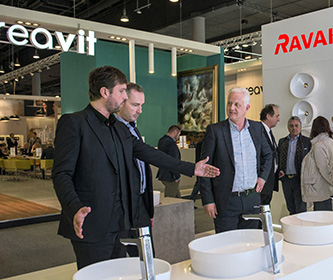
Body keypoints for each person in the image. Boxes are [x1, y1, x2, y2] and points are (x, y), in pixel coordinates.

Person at [53, 65, 219, 269]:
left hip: (121, 225)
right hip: (91, 222)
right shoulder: (74, 123)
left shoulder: (118, 129)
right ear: (105, 92)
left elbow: (151, 154)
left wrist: (192, 168)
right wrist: (74, 208)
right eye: (121, 91)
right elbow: (62, 173)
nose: (124, 97)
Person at [199, 87, 272, 233]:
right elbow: (204, 168)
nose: (231, 108)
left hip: (252, 199)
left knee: (251, 243)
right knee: (227, 247)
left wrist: (263, 177)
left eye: (237, 105)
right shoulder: (216, 131)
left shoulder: (257, 128)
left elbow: (268, 155)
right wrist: (208, 200)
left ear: (247, 107)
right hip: (226, 201)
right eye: (229, 103)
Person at [113, 82, 155, 258]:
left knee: (146, 258)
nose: (140, 111)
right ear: (122, 101)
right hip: (121, 208)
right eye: (135, 105)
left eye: (141, 106)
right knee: (123, 261)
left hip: (140, 206)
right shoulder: (112, 130)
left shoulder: (133, 129)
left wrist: (147, 211)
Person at [301, 116, 333, 211]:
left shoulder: (319, 145)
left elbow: (324, 169)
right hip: (327, 188)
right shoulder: (331, 142)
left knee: (322, 220)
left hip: (321, 189)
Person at [278, 116, 311, 215]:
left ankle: (302, 230)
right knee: (291, 208)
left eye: (296, 126)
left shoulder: (307, 142)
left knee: (301, 209)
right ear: (288, 127)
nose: (294, 128)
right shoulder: (282, 142)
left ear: (300, 127)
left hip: (300, 180)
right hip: (286, 180)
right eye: (291, 126)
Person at [259, 104, 280, 205]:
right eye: (277, 116)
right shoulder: (258, 131)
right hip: (262, 182)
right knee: (260, 211)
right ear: (268, 116)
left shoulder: (269, 132)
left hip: (270, 180)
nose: (278, 119)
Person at [157, 125, 183, 198]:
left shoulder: (161, 140)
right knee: (170, 198)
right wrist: (176, 176)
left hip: (163, 173)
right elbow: (173, 161)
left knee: (177, 195)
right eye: (178, 134)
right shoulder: (171, 144)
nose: (178, 137)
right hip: (171, 175)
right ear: (175, 132)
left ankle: (183, 208)